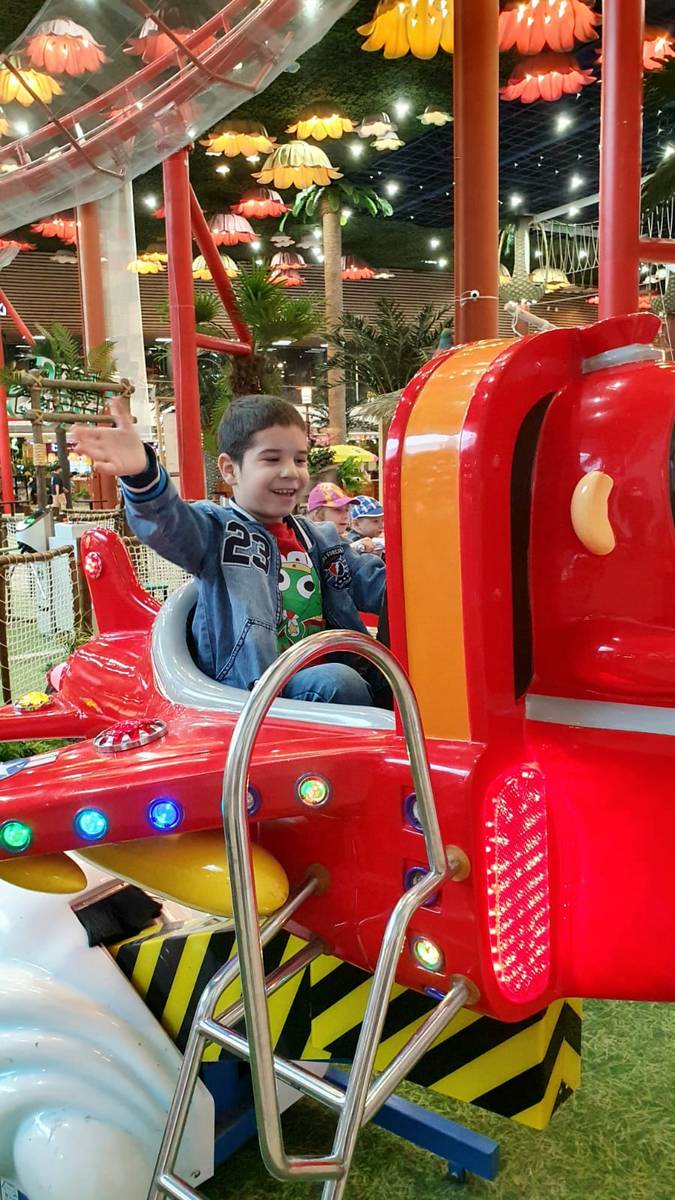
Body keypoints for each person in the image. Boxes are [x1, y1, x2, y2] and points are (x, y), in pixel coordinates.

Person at [70, 395, 385, 707]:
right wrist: (143, 476)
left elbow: (381, 586)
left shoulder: (322, 539)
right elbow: (169, 524)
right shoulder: (218, 532)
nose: (290, 471)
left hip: (330, 680)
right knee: (339, 682)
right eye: (272, 459)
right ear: (230, 469)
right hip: (257, 694)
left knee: (393, 671)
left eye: (299, 460)